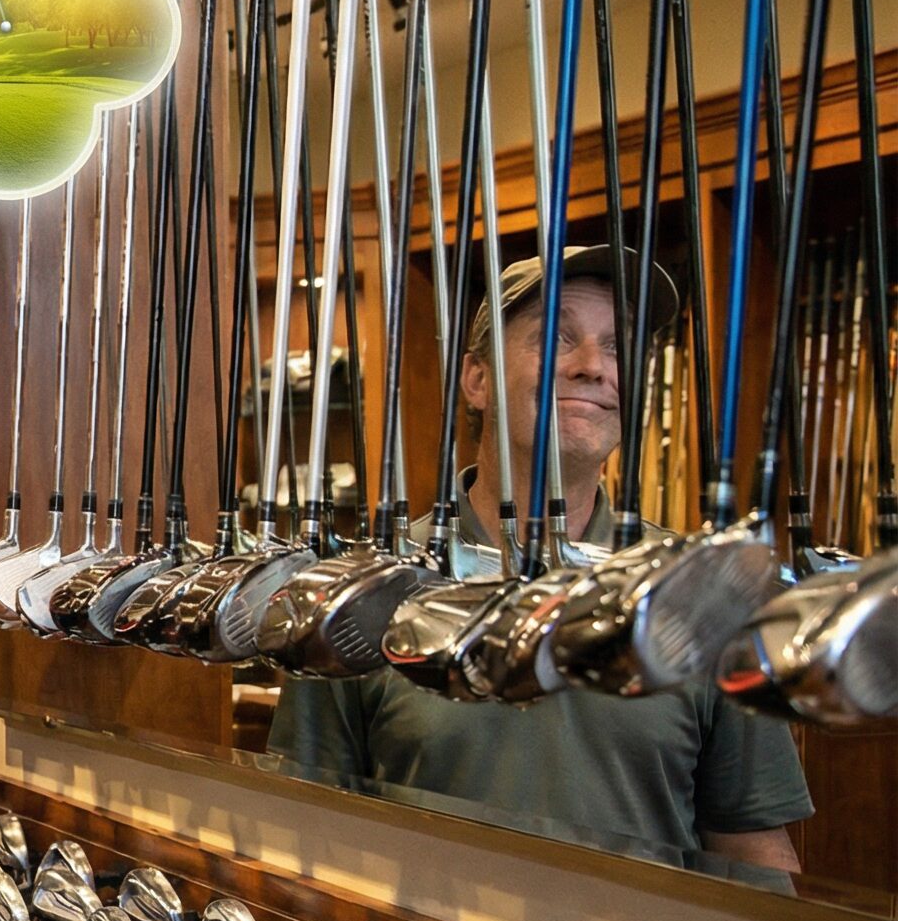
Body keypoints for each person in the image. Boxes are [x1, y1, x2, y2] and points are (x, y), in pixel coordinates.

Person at [270, 246, 814, 871]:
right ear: (476, 379)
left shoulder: (702, 592)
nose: (594, 367)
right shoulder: (362, 593)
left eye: (617, 347)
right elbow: (303, 834)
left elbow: (752, 849)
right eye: (557, 338)